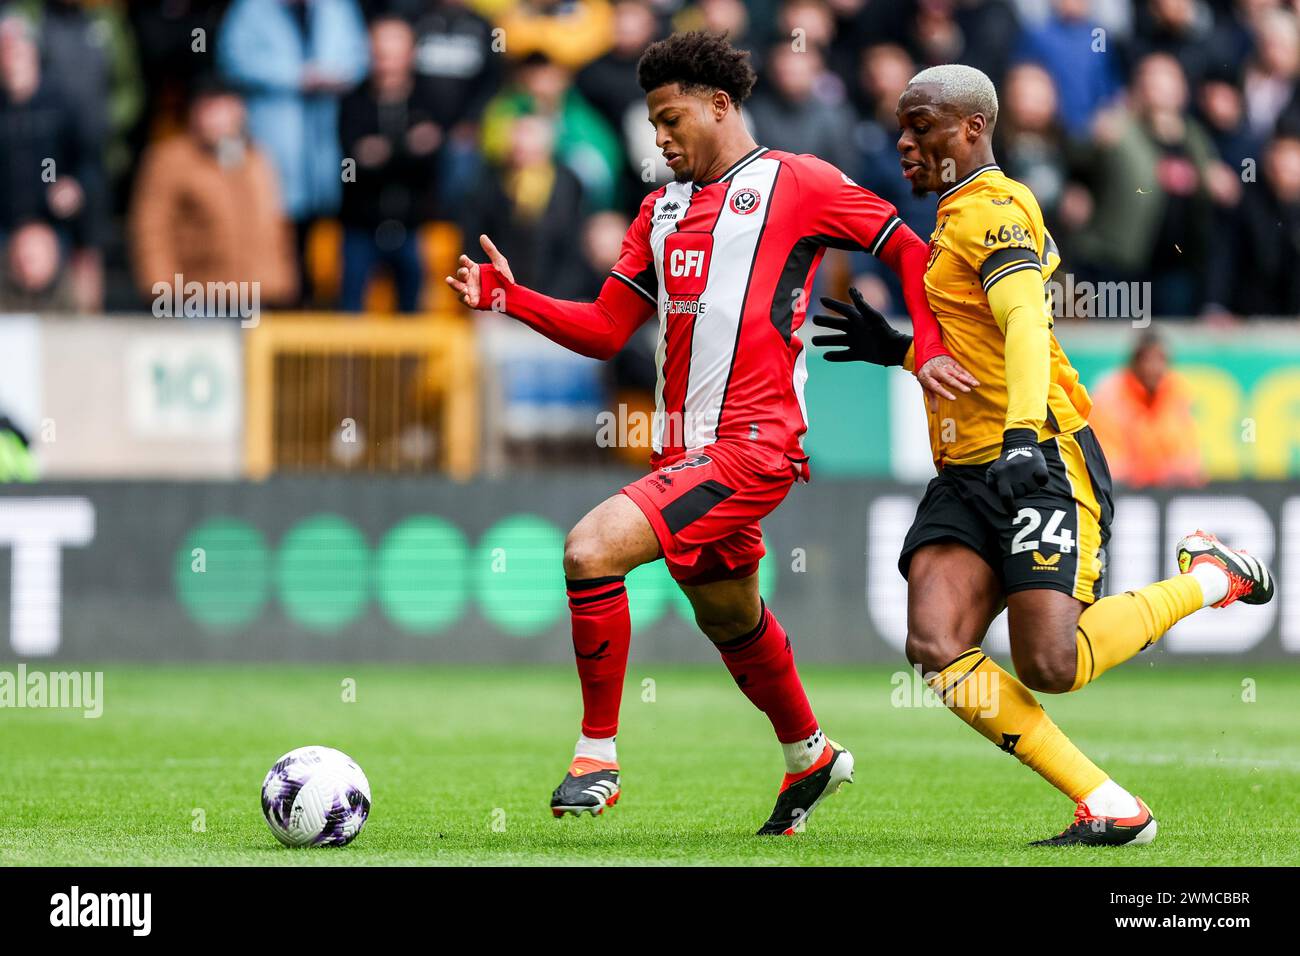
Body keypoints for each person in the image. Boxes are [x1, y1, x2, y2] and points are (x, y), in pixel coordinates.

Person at [447, 31, 975, 834]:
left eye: (670, 118)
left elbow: (909, 247)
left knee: (589, 549)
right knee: (729, 617)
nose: (658, 138)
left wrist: (924, 348)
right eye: (651, 123)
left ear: (719, 105)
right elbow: (602, 327)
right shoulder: (657, 209)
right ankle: (811, 755)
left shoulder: (796, 183)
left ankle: (597, 755)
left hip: (754, 444)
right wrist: (509, 299)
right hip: (682, 452)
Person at [812, 63, 1275, 846]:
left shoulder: (993, 210)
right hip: (967, 472)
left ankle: (1210, 578)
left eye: (920, 125)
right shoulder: (957, 217)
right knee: (933, 641)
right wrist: (901, 352)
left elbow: (1027, 325)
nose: (904, 141)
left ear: (971, 129)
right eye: (901, 124)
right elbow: (984, 342)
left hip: (1041, 459)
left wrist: (1025, 435)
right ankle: (1110, 805)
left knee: (1052, 664)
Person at [129, 77, 297, 311]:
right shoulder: (170, 160)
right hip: (198, 299)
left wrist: (281, 281)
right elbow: (152, 229)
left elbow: (275, 226)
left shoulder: (257, 159)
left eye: (225, 108)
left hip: (257, 297)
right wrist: (161, 287)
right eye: (210, 109)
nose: (218, 119)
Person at [337, 15, 440, 313]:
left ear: (410, 54)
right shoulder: (353, 100)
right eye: (380, 54)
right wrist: (407, 147)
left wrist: (383, 152)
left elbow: (431, 157)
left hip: (412, 225)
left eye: (393, 55)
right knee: (349, 314)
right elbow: (353, 164)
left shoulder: (428, 97)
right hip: (360, 224)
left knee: (413, 315)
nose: (386, 63)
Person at [1087, 332, 1204, 487]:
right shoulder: (1109, 394)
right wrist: (1154, 473)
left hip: (1162, 488)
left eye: (1161, 360)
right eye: (1148, 360)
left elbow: (1190, 461)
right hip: (1121, 493)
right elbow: (1108, 466)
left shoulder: (1175, 390)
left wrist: (1165, 472)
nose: (1154, 368)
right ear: (1134, 362)